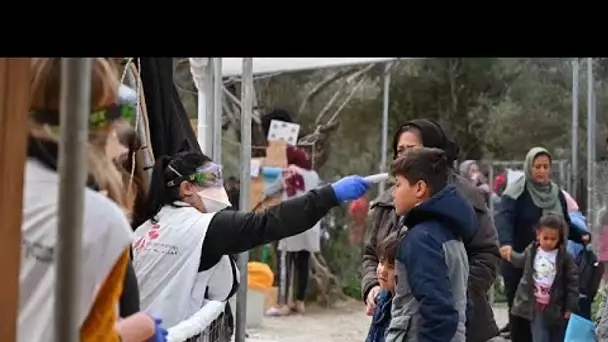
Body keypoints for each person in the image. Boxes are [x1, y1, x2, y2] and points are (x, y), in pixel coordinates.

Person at [131, 150, 370, 327]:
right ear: (186, 189)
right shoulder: (204, 227)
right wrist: (329, 195)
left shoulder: (144, 228)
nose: (219, 186)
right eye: (211, 178)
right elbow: (268, 223)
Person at [21, 58, 165, 342]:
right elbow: (94, 336)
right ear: (100, 125)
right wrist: (137, 329)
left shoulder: (13, 184)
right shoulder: (102, 221)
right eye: (116, 112)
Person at [362, 119, 500, 342]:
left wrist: (454, 293)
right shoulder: (391, 200)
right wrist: (374, 285)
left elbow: (486, 255)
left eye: (412, 149)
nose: (404, 156)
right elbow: (372, 253)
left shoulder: (459, 204)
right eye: (400, 150)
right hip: (399, 320)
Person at [496, 146, 590, 342]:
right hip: (520, 263)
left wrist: (580, 235)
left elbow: (563, 222)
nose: (541, 171)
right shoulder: (515, 193)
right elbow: (504, 219)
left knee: (548, 321)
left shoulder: (555, 193)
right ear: (529, 166)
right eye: (537, 166)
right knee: (520, 316)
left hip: (552, 270)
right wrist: (506, 245)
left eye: (545, 166)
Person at [386, 147, 475, 342]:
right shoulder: (448, 231)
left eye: (398, 185)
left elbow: (438, 311)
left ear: (419, 188)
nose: (393, 193)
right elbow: (464, 304)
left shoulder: (422, 239)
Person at [266, 147, 321, 316]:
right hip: (310, 226)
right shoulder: (314, 175)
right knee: (303, 264)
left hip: (291, 224)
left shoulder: (287, 172)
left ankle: (283, 303)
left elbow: (269, 191)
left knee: (285, 262)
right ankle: (299, 302)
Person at [508, 214, 579, 342]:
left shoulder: (564, 257)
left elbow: (572, 282)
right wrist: (510, 255)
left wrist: (570, 307)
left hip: (557, 306)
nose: (549, 242)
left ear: (560, 238)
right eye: (545, 238)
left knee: (556, 337)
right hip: (536, 305)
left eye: (553, 239)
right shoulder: (532, 251)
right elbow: (520, 261)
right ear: (538, 235)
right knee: (539, 337)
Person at [365, 232, 397, 342]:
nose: (383, 271)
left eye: (391, 267)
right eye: (381, 262)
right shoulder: (382, 298)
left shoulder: (403, 307)